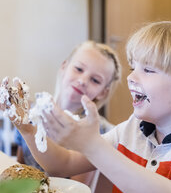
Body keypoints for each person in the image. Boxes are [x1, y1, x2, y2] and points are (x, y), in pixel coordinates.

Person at [12, 21, 171, 193]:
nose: (131, 77)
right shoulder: (131, 129)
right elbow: (63, 164)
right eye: (132, 67)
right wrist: (27, 129)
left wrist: (93, 145)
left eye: (147, 69)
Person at [14, 41, 121, 173]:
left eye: (95, 80)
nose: (82, 80)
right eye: (79, 69)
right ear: (64, 66)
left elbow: (79, 188)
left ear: (103, 92)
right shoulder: (30, 112)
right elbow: (19, 167)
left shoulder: (101, 133)